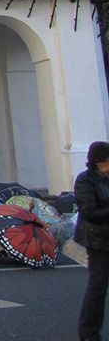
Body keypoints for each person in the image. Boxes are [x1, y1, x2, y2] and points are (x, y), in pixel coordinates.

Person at [76, 140, 109, 341]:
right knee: (98, 286)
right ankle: (89, 332)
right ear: (99, 162)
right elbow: (89, 213)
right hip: (97, 239)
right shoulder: (85, 180)